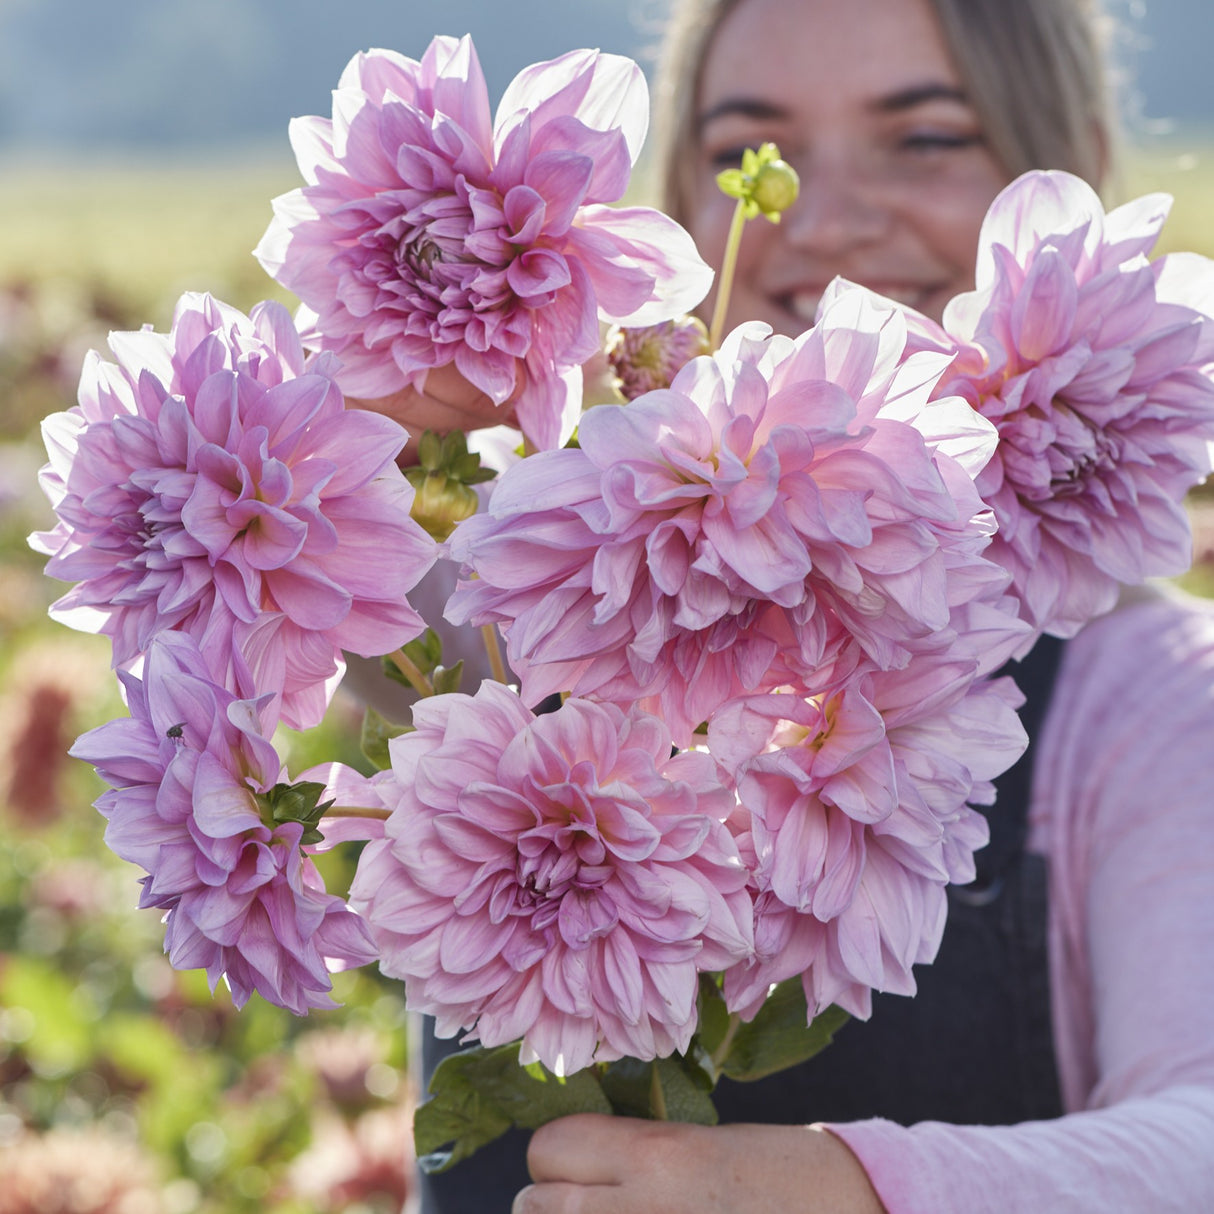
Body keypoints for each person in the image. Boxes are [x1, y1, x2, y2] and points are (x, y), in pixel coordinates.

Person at [416, 0, 1214, 1210]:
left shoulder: (1149, 693)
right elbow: (269, 644)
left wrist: (830, 1186)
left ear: (1071, 165)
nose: (822, 220)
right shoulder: (516, 580)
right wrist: (380, 430)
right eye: (749, 151)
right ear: (670, 213)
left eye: (924, 138)